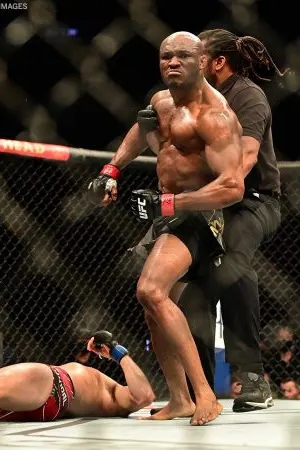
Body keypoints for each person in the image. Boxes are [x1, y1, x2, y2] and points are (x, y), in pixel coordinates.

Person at [88, 31, 244, 424]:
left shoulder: (215, 116)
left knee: (150, 290)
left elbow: (232, 187)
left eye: (182, 56)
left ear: (202, 61)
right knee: (154, 309)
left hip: (201, 214)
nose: (172, 63)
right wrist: (112, 170)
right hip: (167, 212)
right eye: (165, 56)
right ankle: (180, 399)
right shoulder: (162, 102)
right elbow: (141, 130)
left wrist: (172, 203)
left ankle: (205, 395)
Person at [175, 29, 284, 413]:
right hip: (210, 206)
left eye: (197, 56)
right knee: (191, 291)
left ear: (218, 62)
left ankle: (252, 377)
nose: (187, 62)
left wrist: (201, 196)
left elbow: (247, 158)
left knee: (233, 262)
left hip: (254, 202)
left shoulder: (246, 96)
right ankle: (199, 389)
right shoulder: (192, 99)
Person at [0, 330, 155, 428]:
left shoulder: (115, 393)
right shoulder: (102, 388)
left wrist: (118, 353)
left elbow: (144, 395)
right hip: (39, 403)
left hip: (56, 385)